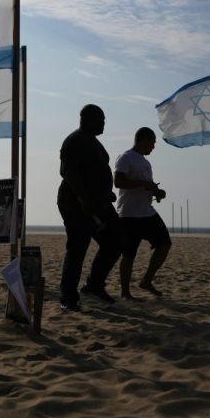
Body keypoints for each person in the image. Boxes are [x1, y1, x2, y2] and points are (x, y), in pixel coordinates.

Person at [57, 104, 121, 311]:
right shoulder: (74, 140)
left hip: (99, 204)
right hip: (77, 204)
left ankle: (94, 285)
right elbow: (68, 172)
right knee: (78, 247)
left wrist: (105, 193)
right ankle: (68, 297)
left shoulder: (95, 143)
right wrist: (85, 199)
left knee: (116, 239)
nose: (104, 124)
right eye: (100, 120)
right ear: (86, 119)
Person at [114, 127, 172, 300]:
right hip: (129, 214)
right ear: (143, 140)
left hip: (147, 212)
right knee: (129, 254)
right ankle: (125, 292)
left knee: (165, 244)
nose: (153, 147)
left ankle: (146, 280)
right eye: (152, 143)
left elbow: (149, 184)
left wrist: (157, 192)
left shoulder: (146, 163)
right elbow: (118, 182)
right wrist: (143, 185)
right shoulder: (125, 157)